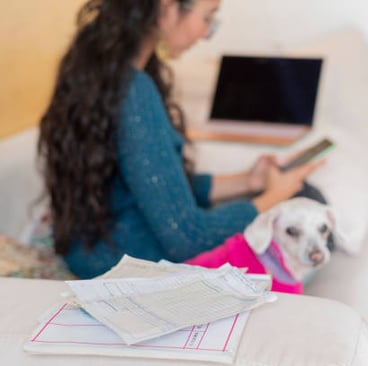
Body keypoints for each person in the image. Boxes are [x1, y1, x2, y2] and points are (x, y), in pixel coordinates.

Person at [37, 0, 324, 279]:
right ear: (167, 7)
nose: (206, 32)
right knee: (305, 208)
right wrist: (273, 199)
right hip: (127, 263)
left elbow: (152, 188)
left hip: (91, 250)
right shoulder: (135, 93)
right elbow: (187, 236)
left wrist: (247, 182)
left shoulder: (102, 74)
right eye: (208, 17)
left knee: (300, 199)